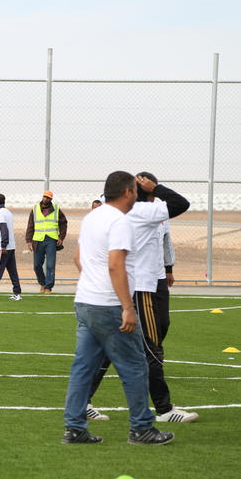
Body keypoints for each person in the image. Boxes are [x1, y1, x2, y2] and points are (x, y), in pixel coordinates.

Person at [62, 170, 173, 445]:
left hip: (85, 301)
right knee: (136, 366)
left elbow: (78, 258)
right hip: (109, 305)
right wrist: (127, 306)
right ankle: (141, 428)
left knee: (83, 368)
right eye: (136, 191)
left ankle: (74, 428)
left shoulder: (92, 217)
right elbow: (115, 265)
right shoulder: (120, 222)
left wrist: (92, 282)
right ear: (128, 192)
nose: (138, 196)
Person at [85, 173, 196, 423]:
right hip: (142, 285)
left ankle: (83, 401)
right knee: (151, 346)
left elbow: (164, 241)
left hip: (154, 280)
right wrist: (155, 187)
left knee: (115, 346)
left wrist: (167, 269)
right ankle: (164, 409)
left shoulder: (147, 210)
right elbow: (181, 203)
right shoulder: (143, 210)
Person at [25, 190, 67, 294]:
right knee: (37, 265)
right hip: (38, 240)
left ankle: (48, 287)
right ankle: (43, 283)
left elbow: (63, 223)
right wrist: (29, 241)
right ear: (42, 197)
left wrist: (61, 237)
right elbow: (30, 225)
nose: (45, 199)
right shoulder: (35, 209)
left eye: (48, 197)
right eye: (44, 197)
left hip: (51, 240)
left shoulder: (56, 209)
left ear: (51, 199)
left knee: (50, 265)